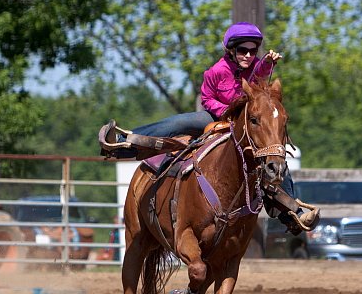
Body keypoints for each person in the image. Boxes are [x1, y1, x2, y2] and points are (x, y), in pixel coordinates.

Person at [99, 22, 319, 235]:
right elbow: (207, 98)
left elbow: (260, 73)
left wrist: (269, 63)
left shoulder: (255, 67)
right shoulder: (216, 71)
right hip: (216, 116)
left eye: (253, 51)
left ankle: (293, 213)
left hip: (246, 123)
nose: (249, 56)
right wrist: (226, 112)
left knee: (274, 152)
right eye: (243, 50)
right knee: (179, 123)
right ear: (232, 51)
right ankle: (125, 142)